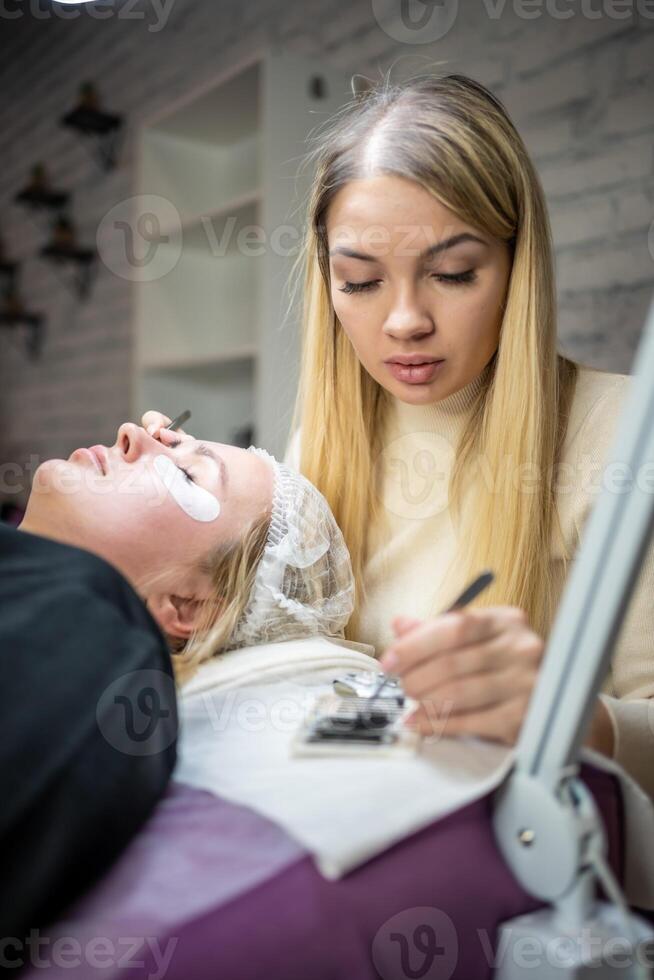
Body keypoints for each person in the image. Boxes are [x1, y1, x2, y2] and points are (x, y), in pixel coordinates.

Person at [143, 71, 654, 803]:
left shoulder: (628, 441)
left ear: (516, 266)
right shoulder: (321, 436)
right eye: (359, 281)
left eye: (452, 273)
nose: (405, 320)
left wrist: (572, 716)